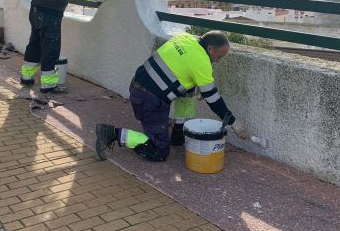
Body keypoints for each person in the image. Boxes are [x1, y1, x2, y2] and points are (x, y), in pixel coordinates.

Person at [95, 31, 249, 162]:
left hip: (138, 86)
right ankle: (112, 133)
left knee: (189, 89)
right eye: (219, 56)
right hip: (149, 101)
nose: (218, 61)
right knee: (160, 151)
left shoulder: (184, 38)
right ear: (210, 48)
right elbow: (213, 99)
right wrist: (233, 122)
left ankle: (178, 134)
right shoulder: (202, 62)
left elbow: (180, 72)